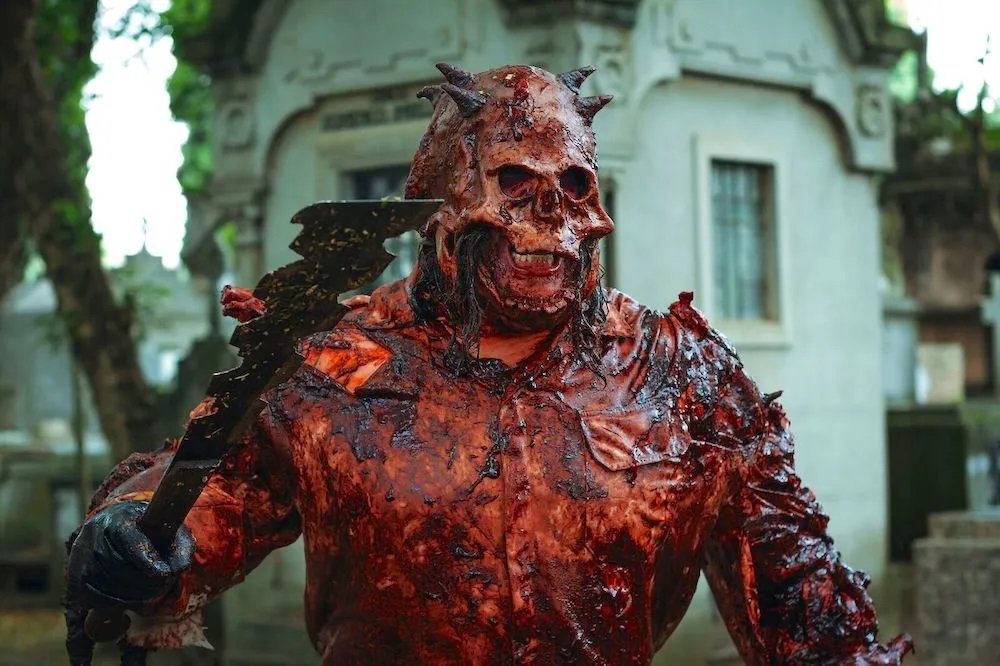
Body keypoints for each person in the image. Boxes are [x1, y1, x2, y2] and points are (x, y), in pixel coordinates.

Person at [66, 63, 912, 665]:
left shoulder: (678, 376)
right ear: (440, 201)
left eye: (573, 186)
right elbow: (216, 488)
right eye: (512, 183)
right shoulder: (342, 361)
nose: (548, 219)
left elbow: (802, 606)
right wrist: (133, 528)